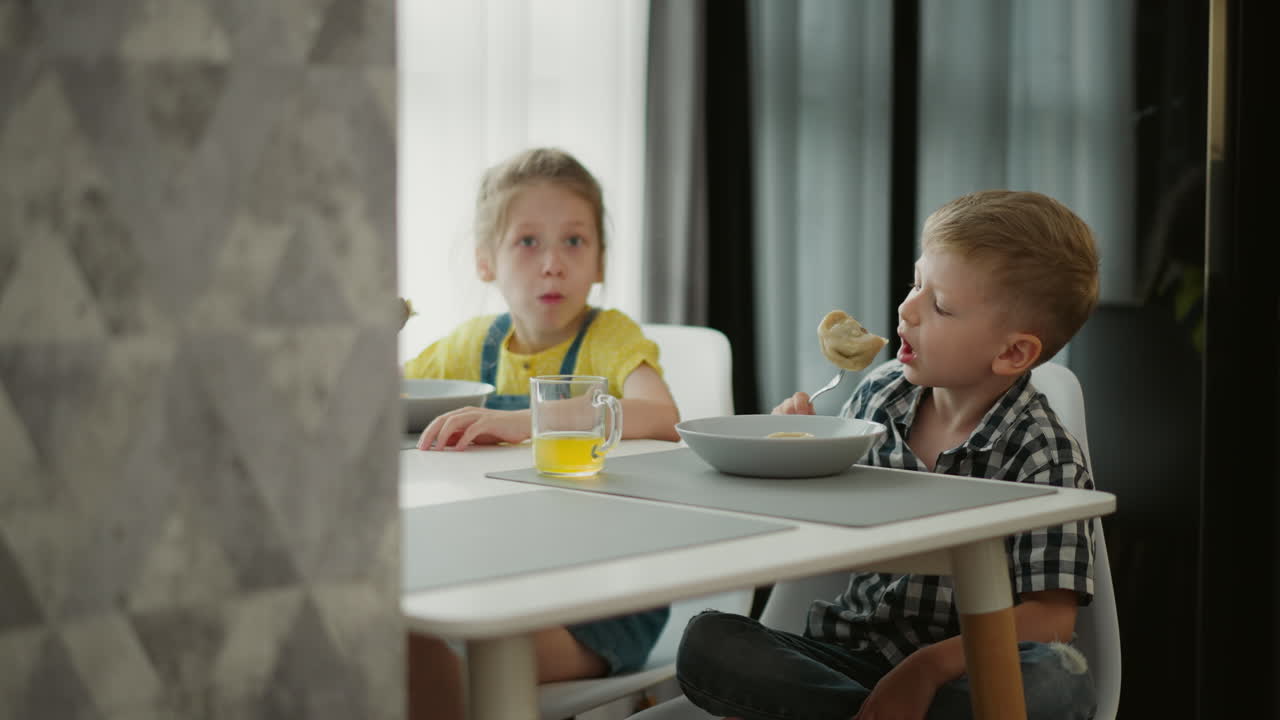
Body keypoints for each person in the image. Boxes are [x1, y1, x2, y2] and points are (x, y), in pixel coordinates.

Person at [674, 190, 1101, 720]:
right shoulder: (879, 397)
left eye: (940, 305)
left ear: (1013, 352)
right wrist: (795, 460)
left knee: (1056, 680)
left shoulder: (1044, 454)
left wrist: (924, 670)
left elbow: (1050, 620)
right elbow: (826, 524)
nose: (906, 309)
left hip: (965, 670)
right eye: (917, 284)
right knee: (709, 641)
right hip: (846, 658)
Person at [403, 147, 680, 719]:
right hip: (501, 578)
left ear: (600, 261)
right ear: (486, 262)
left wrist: (526, 421)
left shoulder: (608, 337)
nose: (553, 263)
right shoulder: (471, 345)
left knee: (428, 661)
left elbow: (662, 415)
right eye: (528, 242)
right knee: (399, 638)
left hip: (601, 604)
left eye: (574, 241)